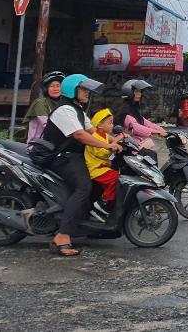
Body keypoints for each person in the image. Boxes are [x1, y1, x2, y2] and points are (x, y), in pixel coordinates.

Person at [44, 74, 123, 256]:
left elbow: (94, 131)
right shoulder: (64, 110)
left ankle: (81, 220)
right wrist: (107, 145)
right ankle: (62, 236)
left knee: (98, 178)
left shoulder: (77, 110)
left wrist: (120, 141)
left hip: (73, 156)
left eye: (88, 90)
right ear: (72, 90)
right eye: (84, 89)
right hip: (60, 156)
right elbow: (80, 135)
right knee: (84, 187)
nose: (87, 93)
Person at [85, 108, 125, 223]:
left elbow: (110, 145)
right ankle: (103, 205)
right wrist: (112, 148)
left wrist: (121, 139)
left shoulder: (105, 137)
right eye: (110, 123)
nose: (112, 125)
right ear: (100, 125)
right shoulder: (95, 138)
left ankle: (110, 207)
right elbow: (100, 152)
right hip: (95, 169)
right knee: (117, 179)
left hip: (102, 167)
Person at [114, 80, 166, 161]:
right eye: (136, 91)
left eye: (140, 92)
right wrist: (156, 132)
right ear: (129, 93)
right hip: (127, 146)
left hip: (135, 144)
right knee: (152, 155)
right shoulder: (125, 111)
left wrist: (163, 131)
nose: (139, 94)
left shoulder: (133, 109)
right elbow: (136, 127)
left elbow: (147, 123)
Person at [23, 71, 65, 142]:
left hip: (56, 144)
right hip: (39, 145)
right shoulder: (41, 103)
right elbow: (45, 124)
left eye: (58, 86)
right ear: (46, 88)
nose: (55, 89)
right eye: (52, 86)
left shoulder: (63, 103)